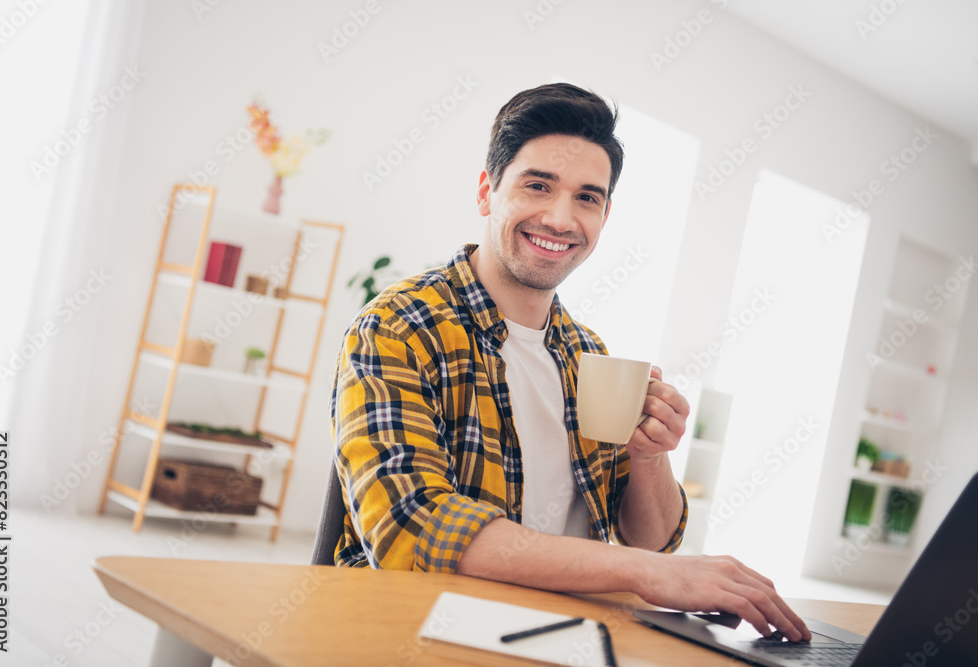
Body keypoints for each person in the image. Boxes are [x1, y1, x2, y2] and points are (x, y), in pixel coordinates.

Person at [329, 82, 811, 642]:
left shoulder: (588, 355)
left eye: (587, 197)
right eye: (537, 186)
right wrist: (649, 574)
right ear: (487, 192)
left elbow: (652, 542)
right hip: (424, 632)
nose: (561, 218)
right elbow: (412, 530)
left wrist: (648, 457)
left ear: (605, 214)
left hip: (563, 635)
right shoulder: (398, 328)